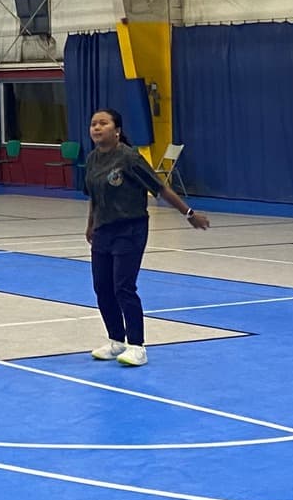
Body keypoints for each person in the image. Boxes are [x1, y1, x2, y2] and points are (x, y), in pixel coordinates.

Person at [82, 108, 209, 366]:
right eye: (94, 124)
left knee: (123, 287)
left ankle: (137, 346)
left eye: (103, 123)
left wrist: (189, 213)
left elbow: (160, 188)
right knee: (102, 287)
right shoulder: (93, 158)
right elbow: (94, 196)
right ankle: (116, 340)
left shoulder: (130, 158)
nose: (97, 128)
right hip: (103, 231)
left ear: (116, 130)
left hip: (130, 229)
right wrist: (91, 224)